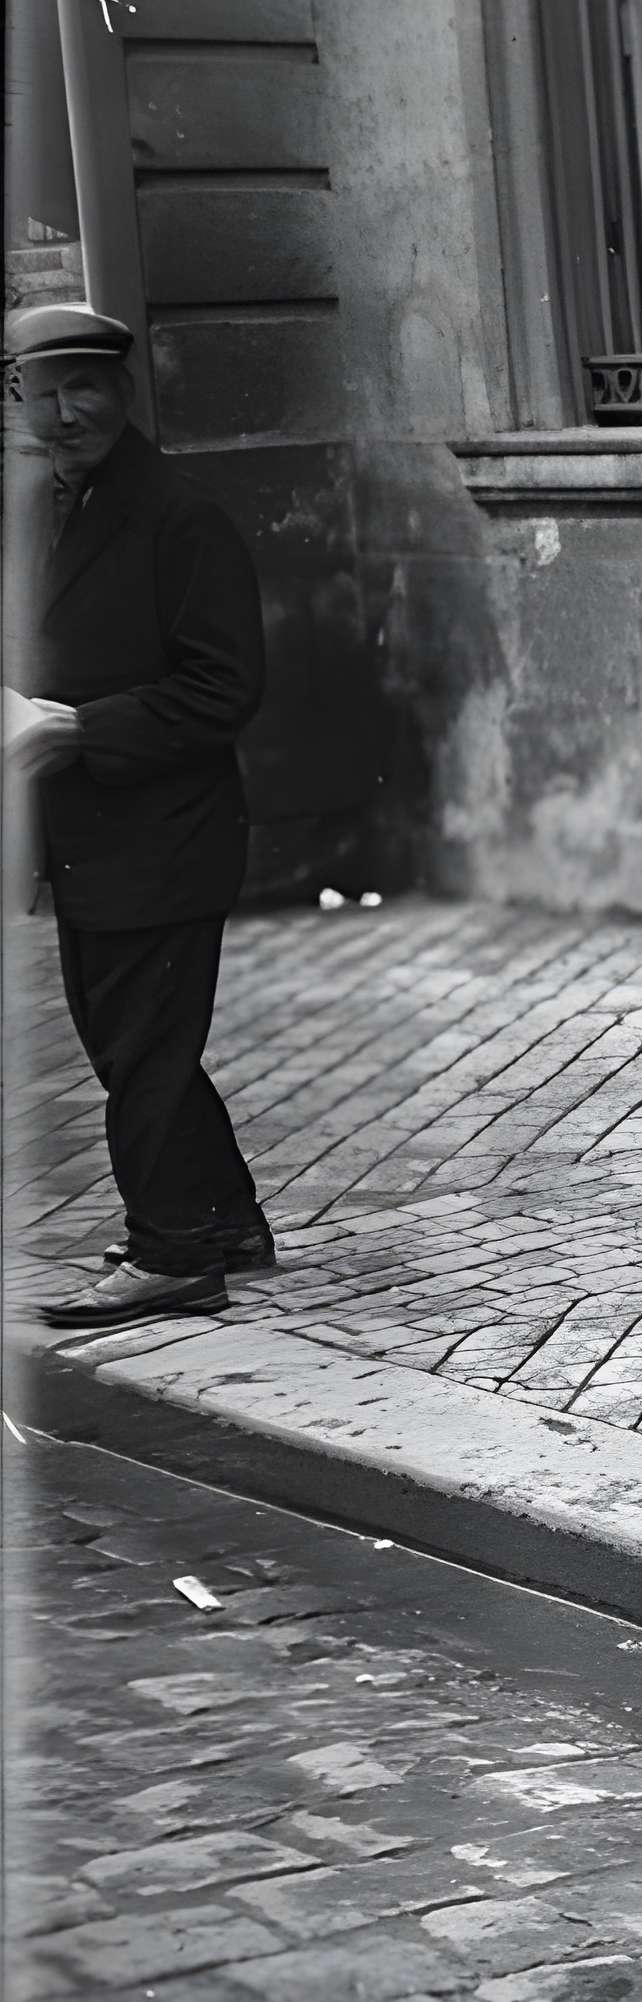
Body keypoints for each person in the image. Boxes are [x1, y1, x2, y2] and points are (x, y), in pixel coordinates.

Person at [6, 302, 273, 1327]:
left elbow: (223, 690)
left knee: (144, 1053)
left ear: (124, 392)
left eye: (85, 388)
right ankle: (229, 1224)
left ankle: (173, 1255)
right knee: (134, 1045)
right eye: (42, 392)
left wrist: (71, 727)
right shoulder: (50, 508)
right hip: (91, 837)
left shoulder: (178, 515)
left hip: (166, 835)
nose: (64, 412)